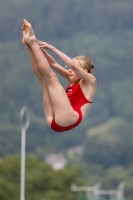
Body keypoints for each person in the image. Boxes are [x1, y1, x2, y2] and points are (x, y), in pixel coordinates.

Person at [22, 19, 97, 132]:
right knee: (44, 80)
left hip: (68, 119)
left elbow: (71, 64)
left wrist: (52, 48)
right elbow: (52, 63)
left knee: (51, 78)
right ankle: (29, 43)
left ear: (84, 71)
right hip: (53, 120)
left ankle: (31, 41)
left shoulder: (91, 82)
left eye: (73, 69)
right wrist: (35, 46)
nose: (70, 71)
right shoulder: (71, 78)